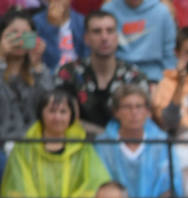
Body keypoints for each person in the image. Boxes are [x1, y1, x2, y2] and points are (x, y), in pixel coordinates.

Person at [1, 86, 108, 198]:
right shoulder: (23, 149)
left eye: (63, 112)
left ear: (71, 116)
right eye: (52, 111)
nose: (57, 117)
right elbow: (16, 191)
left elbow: (96, 186)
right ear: (41, 114)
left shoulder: (84, 149)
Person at [96, 83, 181, 198]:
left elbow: (171, 188)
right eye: (127, 107)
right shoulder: (103, 144)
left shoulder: (162, 142)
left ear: (148, 112)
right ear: (116, 112)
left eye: (139, 106)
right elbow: (100, 186)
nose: (134, 112)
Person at [55, 9, 147, 133]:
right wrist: (104, 136)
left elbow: (141, 119)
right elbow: (65, 119)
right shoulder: (68, 73)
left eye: (110, 31)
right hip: (78, 144)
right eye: (97, 31)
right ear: (86, 38)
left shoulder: (134, 76)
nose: (104, 37)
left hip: (122, 145)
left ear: (117, 36)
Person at [2, 9, 52, 145]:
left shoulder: (39, 71)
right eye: (13, 33)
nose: (19, 38)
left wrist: (37, 66)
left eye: (26, 34)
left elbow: (47, 105)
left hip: (33, 144)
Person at [106, 0, 177, 80]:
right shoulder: (109, 10)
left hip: (154, 76)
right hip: (117, 74)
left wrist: (169, 80)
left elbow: (168, 52)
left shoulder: (162, 11)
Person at [33, 0, 84, 73]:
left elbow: (85, 52)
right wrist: (52, 24)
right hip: (50, 71)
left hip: (77, 72)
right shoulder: (37, 21)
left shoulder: (80, 21)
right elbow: (45, 56)